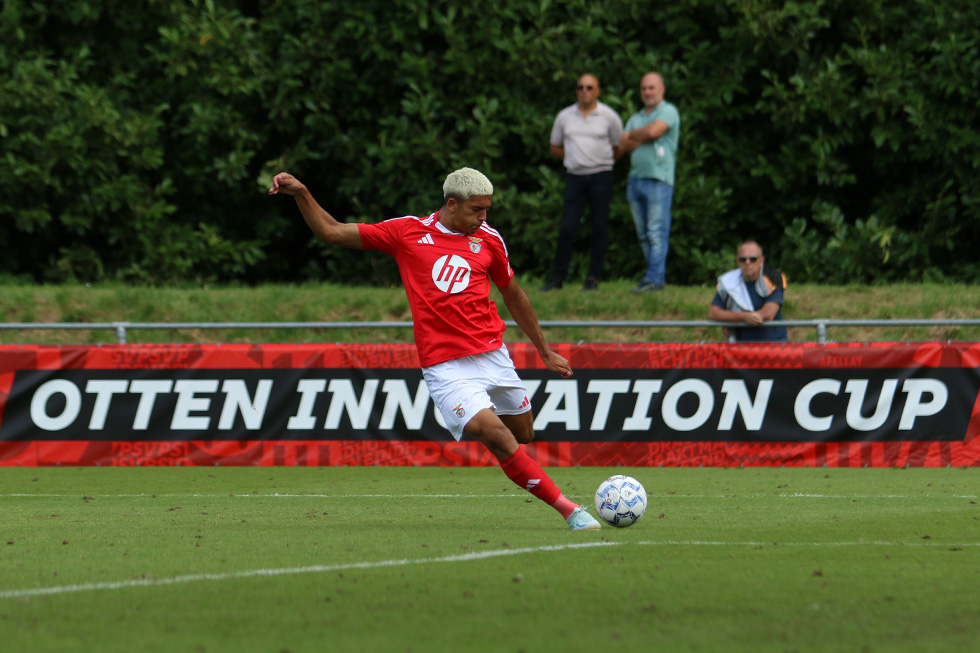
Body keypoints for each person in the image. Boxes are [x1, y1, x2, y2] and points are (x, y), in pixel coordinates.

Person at [269, 167, 602, 531]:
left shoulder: (489, 239)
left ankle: (530, 468)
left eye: (487, 209)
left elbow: (513, 294)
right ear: (452, 204)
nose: (484, 217)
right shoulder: (407, 232)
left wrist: (544, 350)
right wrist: (301, 192)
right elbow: (331, 231)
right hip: (446, 367)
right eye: (477, 210)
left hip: (493, 356)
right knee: (498, 437)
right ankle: (571, 510)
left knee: (523, 434)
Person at [540, 73, 623, 292]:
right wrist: (574, 159)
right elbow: (555, 146)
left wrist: (598, 160)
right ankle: (557, 279)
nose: (584, 91)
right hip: (575, 177)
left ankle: (593, 278)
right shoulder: (564, 116)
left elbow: (619, 146)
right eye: (580, 87)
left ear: (598, 91)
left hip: (601, 176)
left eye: (589, 87)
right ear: (576, 90)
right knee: (567, 228)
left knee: (599, 227)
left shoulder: (610, 116)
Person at [618, 72, 681, 293]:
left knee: (656, 233)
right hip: (635, 181)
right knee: (644, 235)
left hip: (658, 181)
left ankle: (653, 279)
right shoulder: (636, 116)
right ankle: (655, 279)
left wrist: (635, 135)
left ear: (662, 89)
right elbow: (623, 145)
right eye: (644, 88)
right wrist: (640, 135)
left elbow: (655, 131)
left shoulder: (669, 111)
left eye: (652, 88)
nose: (647, 92)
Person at [708, 240, 788, 342]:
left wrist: (730, 318)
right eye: (743, 259)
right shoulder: (728, 282)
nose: (747, 263)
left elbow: (768, 314)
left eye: (753, 259)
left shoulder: (774, 278)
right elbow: (713, 313)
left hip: (774, 346)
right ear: (737, 261)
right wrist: (743, 317)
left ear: (761, 261)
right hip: (741, 347)